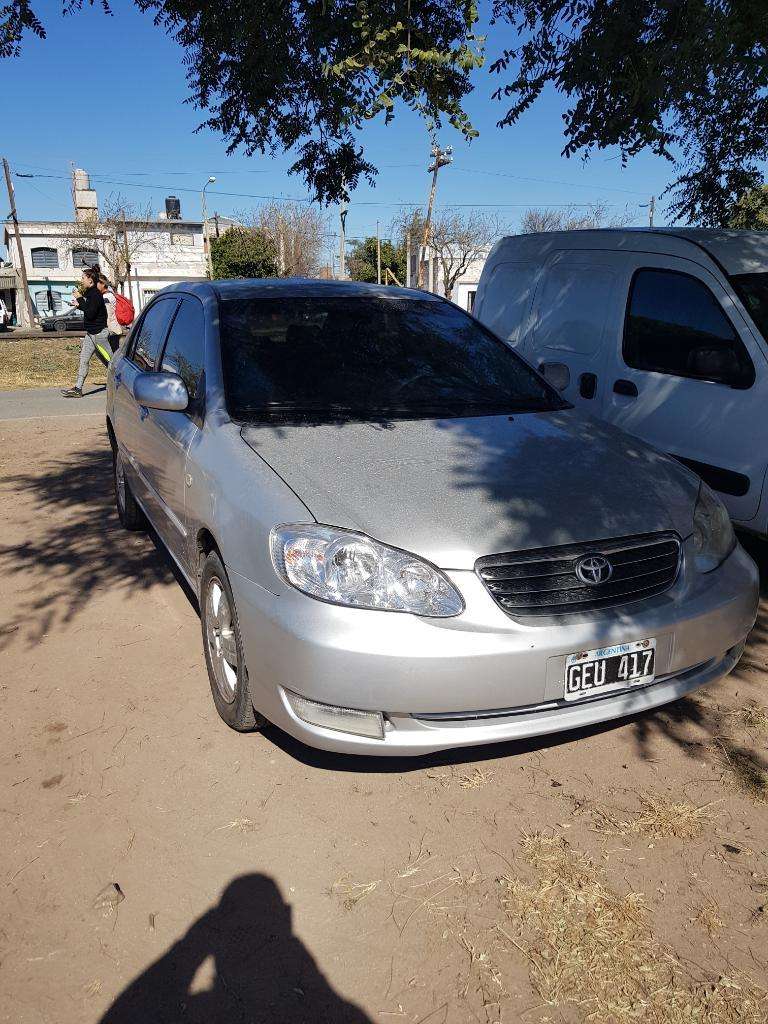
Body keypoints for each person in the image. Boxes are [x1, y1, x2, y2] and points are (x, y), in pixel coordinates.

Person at [61, 266, 109, 398]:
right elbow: (87, 308)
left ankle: (124, 385)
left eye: (83, 278)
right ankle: (78, 388)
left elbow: (91, 313)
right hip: (90, 334)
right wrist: (78, 304)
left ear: (90, 281)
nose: (81, 280)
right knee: (83, 360)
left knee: (110, 362)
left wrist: (80, 299)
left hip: (99, 335)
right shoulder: (89, 293)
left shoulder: (96, 295)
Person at [97, 273, 124, 353]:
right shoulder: (110, 294)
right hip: (115, 329)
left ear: (102, 284)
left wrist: (104, 330)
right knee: (113, 352)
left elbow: (107, 315)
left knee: (112, 354)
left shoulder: (106, 297)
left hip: (111, 330)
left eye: (97, 284)